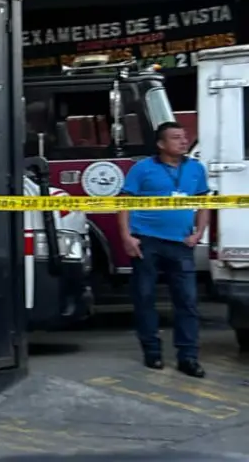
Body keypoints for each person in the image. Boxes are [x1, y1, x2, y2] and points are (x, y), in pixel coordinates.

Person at [119, 120, 209, 378]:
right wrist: (127, 237)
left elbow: (204, 202)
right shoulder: (142, 169)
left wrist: (199, 232)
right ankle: (152, 353)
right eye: (176, 138)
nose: (183, 141)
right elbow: (123, 204)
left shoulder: (196, 169)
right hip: (147, 241)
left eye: (184, 137)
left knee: (187, 302)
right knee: (145, 298)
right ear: (161, 144)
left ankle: (188, 357)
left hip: (181, 244)